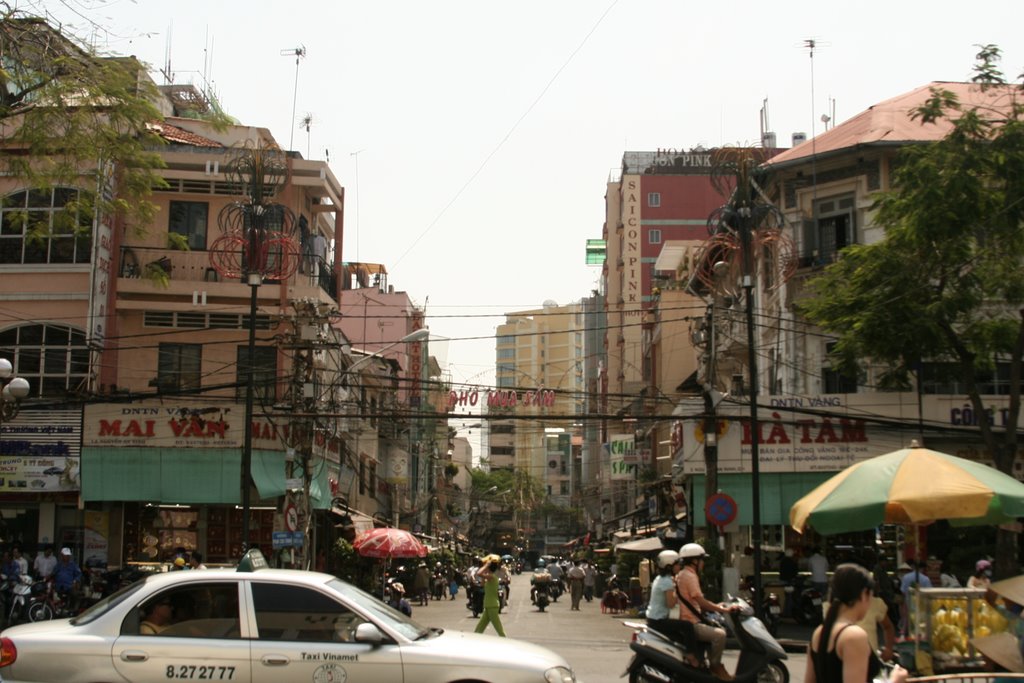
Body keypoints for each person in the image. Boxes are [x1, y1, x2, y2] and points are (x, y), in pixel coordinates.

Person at [806, 563, 907, 683]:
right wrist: (895, 680)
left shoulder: (819, 633)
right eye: (870, 596)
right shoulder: (853, 636)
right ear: (864, 594)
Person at [675, 542, 736, 681]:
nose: (703, 563)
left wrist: (717, 606)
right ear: (694, 561)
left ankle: (705, 665)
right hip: (690, 621)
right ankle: (715, 667)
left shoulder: (683, 574)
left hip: (691, 618)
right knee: (720, 635)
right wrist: (723, 609)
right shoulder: (690, 577)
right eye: (701, 560)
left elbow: (696, 601)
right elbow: (701, 601)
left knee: (715, 626)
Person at [646, 549, 701, 667]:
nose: (679, 567)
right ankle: (691, 656)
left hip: (653, 618)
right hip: (659, 620)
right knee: (687, 626)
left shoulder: (659, 578)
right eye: (677, 565)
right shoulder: (667, 582)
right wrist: (679, 593)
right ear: (669, 566)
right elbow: (670, 604)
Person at [474, 554, 506, 637]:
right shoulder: (489, 578)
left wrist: (486, 565)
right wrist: (486, 567)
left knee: (499, 629)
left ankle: (506, 642)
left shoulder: (492, 577)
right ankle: (474, 639)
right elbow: (482, 584)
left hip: (492, 605)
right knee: (479, 628)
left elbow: (479, 573)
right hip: (488, 605)